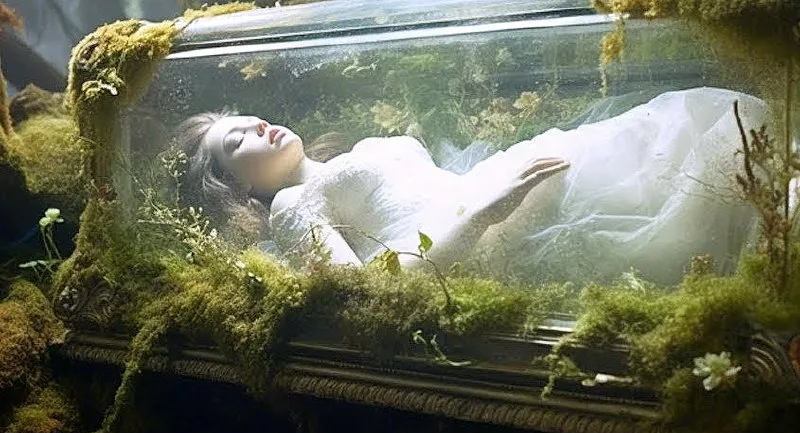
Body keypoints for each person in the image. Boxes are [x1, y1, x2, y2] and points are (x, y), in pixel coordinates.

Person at [175, 87, 767, 285]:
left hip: (506, 185)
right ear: (237, 188)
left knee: (684, 133)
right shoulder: (291, 205)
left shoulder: (348, 160)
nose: (258, 127)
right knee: (695, 172)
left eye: (249, 118)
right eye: (237, 143)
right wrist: (483, 215)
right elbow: (367, 291)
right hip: (495, 227)